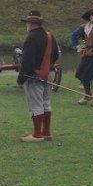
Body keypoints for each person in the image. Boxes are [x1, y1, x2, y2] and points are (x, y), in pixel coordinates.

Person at [16, 10, 60, 142]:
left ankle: (37, 135)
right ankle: (46, 132)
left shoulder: (31, 38)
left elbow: (27, 61)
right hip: (50, 73)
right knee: (46, 102)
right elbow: (55, 56)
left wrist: (21, 79)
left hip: (35, 76)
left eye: (27, 23)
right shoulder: (50, 36)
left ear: (30, 24)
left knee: (35, 104)